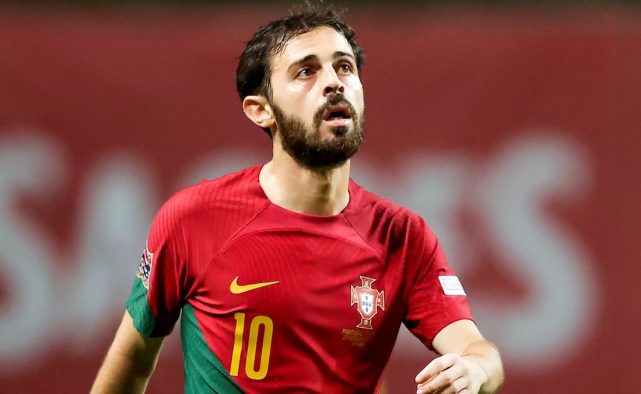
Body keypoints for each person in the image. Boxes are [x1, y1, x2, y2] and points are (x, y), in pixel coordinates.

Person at [91, 3, 504, 394]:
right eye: (305, 72)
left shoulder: (403, 236)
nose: (333, 81)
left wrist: (474, 370)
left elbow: (477, 350)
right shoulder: (193, 218)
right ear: (260, 110)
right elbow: (131, 361)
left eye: (344, 66)